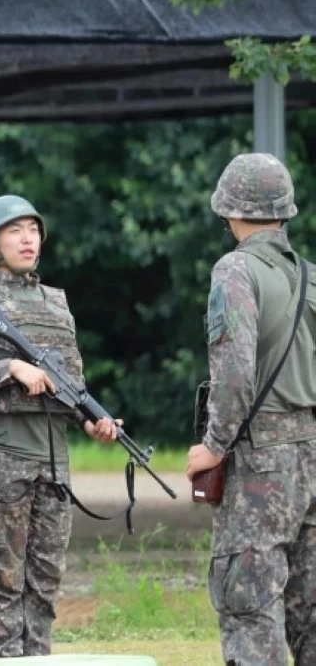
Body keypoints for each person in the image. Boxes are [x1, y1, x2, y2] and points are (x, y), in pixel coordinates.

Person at [0, 194, 118, 658]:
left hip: (53, 463)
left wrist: (91, 421)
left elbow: (71, 386)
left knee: (44, 583)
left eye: (33, 230)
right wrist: (9, 370)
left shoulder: (56, 304)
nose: (27, 239)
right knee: (3, 580)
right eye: (15, 231)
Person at [185, 153, 316, 666]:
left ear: (229, 209)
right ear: (284, 210)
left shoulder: (235, 269)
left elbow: (235, 371)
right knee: (310, 609)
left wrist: (213, 447)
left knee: (250, 606)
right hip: (311, 457)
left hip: (261, 464)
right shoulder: (309, 275)